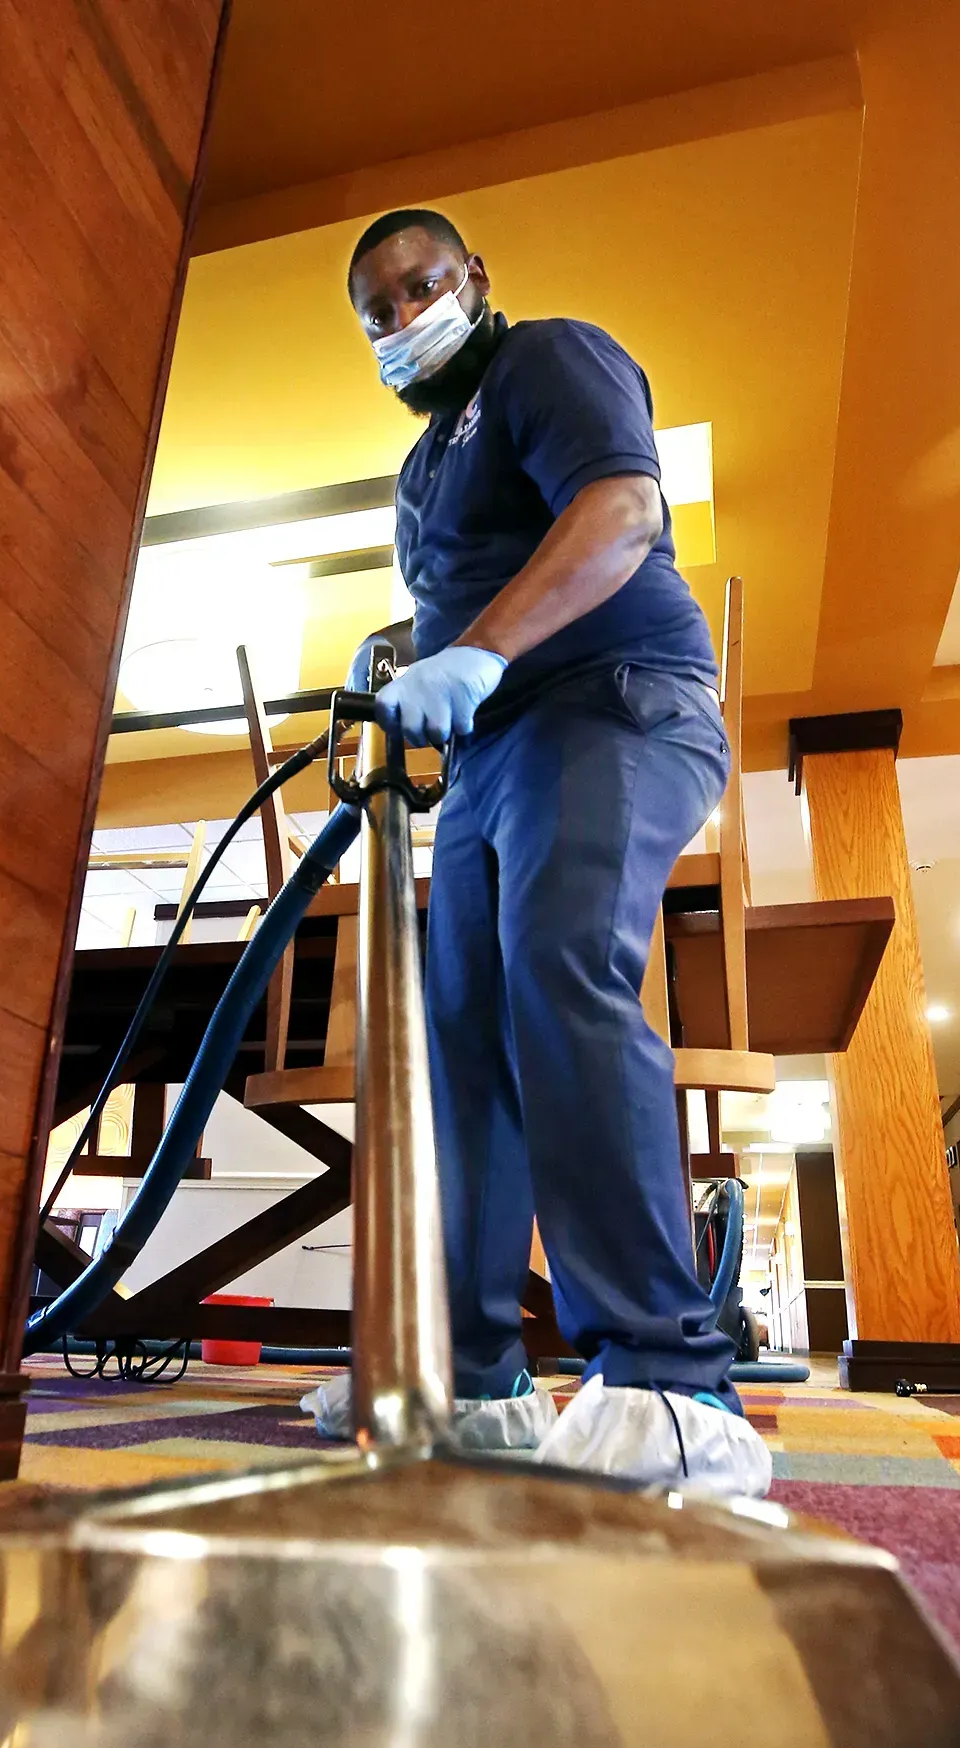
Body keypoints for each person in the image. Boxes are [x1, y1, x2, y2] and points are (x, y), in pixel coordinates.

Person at [304, 208, 769, 1499]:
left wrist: (480, 653)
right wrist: (403, 651)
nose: (404, 321)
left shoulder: (544, 363)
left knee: (561, 957)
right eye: (379, 314)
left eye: (421, 288)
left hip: (618, 700)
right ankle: (473, 1374)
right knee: (456, 1037)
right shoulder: (420, 476)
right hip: (499, 757)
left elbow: (620, 513)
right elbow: (461, 594)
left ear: (478, 281)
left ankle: (674, 1385)